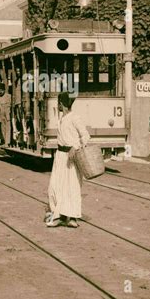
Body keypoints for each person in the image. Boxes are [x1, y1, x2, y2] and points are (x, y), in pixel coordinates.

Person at [46, 91, 90, 228]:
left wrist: (75, 147)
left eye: (58, 103)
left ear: (62, 104)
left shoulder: (74, 118)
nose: (57, 105)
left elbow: (86, 136)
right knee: (55, 186)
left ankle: (72, 218)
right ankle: (58, 214)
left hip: (71, 158)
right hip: (60, 156)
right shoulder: (62, 118)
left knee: (72, 187)